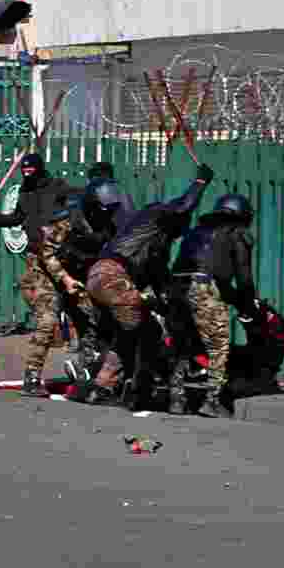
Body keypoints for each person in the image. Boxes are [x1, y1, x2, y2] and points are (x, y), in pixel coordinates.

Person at [85, 163, 213, 409]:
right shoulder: (155, 216)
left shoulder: (151, 243)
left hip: (99, 278)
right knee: (150, 332)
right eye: (180, 227)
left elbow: (160, 283)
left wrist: (168, 304)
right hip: (113, 277)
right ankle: (140, 390)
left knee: (129, 331)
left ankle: (102, 387)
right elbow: (185, 205)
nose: (179, 233)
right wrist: (201, 182)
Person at [0, 152, 71, 396]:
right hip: (37, 262)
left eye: (31, 171)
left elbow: (78, 204)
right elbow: (17, 218)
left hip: (64, 259)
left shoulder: (57, 187)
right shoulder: (25, 192)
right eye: (24, 171)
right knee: (47, 320)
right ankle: (32, 376)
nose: (27, 174)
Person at [166, 194, 259, 417]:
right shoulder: (237, 234)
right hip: (203, 289)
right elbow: (243, 276)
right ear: (242, 216)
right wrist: (248, 307)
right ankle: (212, 401)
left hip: (177, 287)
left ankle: (176, 398)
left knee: (181, 345)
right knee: (218, 346)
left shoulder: (196, 232)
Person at [40, 178, 134, 394]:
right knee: (90, 326)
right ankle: (86, 371)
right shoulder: (69, 220)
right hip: (69, 276)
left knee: (107, 324)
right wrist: (65, 279)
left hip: (95, 274)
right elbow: (47, 253)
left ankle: (96, 370)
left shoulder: (111, 218)